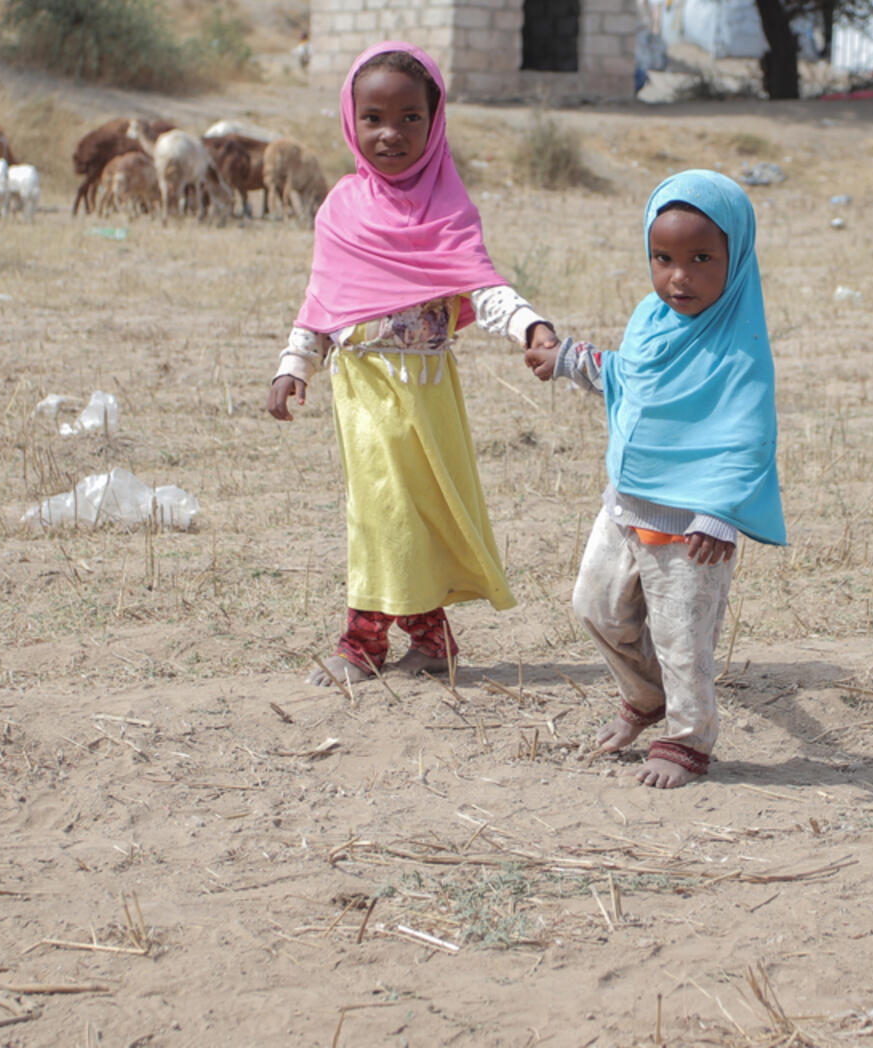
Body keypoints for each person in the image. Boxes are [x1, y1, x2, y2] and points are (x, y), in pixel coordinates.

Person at [268, 41, 558, 686]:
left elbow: (483, 286)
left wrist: (530, 326)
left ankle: (429, 641)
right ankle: (363, 644)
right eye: (373, 117)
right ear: (350, 120)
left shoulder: (449, 209)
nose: (390, 133)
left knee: (417, 514)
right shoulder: (341, 207)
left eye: (409, 118)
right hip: (362, 393)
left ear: (435, 122)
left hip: (428, 394)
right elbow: (322, 302)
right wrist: (294, 365)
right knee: (381, 513)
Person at [526, 170, 786, 788]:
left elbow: (749, 437)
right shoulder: (651, 318)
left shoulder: (739, 346)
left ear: (736, 257)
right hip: (626, 505)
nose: (679, 276)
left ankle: (687, 741)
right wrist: (569, 361)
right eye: (663, 258)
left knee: (681, 638)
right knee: (593, 608)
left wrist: (721, 513)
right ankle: (645, 699)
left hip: (694, 525)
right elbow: (629, 376)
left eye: (701, 259)